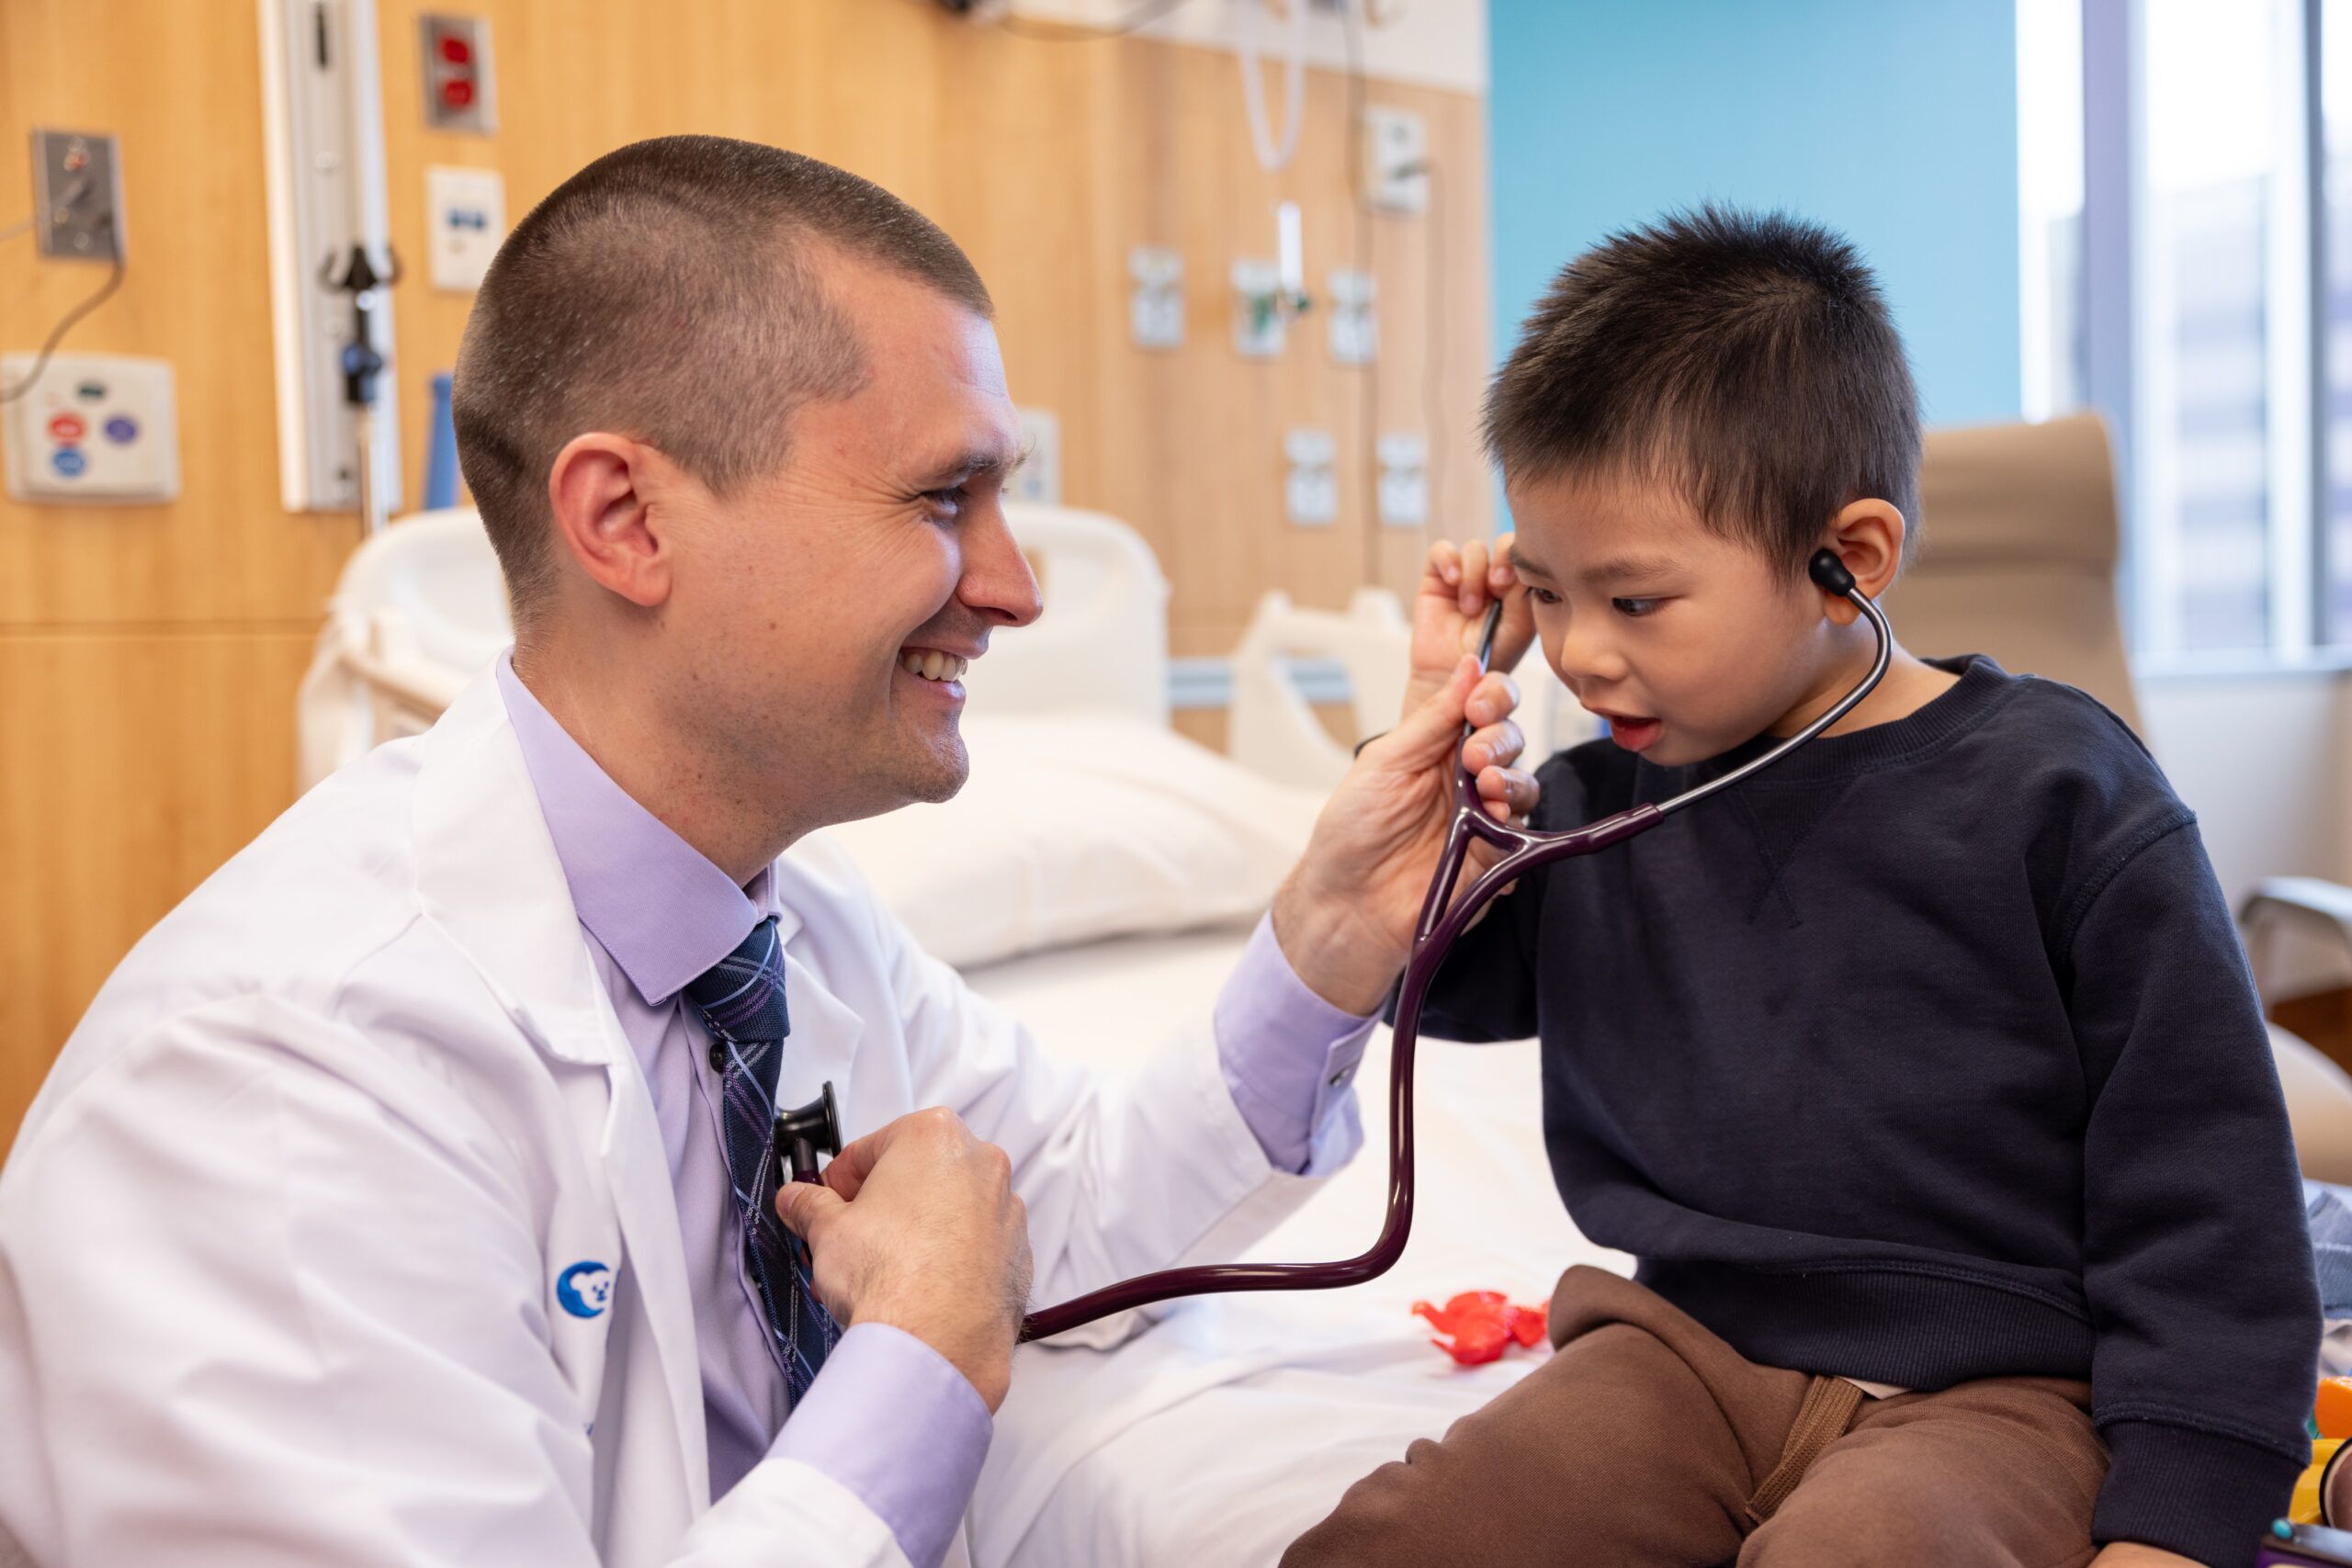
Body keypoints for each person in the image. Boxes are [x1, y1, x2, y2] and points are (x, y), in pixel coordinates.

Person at [0, 136, 1539, 1568]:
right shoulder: (285, 1090)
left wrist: (1335, 938)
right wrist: (918, 1369)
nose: (1015, 587)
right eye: (947, 497)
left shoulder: (780, 924)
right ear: (626, 522)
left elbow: (1049, 1212)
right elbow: (954, 1295)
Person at [1269, 208, 2320, 1568]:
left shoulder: (2058, 795)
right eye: (1545, 591)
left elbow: (2211, 1195)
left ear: (1850, 564)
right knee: (1412, 1542)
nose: (1578, 656)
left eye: (1634, 602)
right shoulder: (1585, 816)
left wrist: (2178, 1525)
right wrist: (1435, 717)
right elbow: (1429, 975)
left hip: (2010, 1393)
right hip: (1685, 1360)